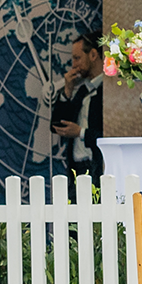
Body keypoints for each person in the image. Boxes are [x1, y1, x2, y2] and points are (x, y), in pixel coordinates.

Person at [52, 33, 105, 182]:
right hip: (77, 168)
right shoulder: (83, 91)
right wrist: (67, 91)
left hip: (98, 166)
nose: (74, 65)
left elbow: (110, 133)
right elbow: (57, 125)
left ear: (93, 54)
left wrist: (80, 133)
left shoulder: (108, 91)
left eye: (77, 58)